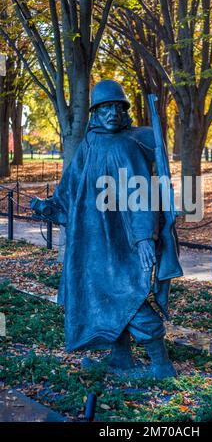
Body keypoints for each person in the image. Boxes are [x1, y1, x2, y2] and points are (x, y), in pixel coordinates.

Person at [31, 79, 183, 379]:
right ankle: (121, 359)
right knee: (104, 293)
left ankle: (160, 365)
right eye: (104, 108)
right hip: (94, 240)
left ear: (124, 111)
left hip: (126, 239)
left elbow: (142, 193)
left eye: (117, 106)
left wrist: (143, 239)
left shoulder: (129, 144)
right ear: (95, 113)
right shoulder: (89, 143)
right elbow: (72, 184)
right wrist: (49, 205)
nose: (112, 113)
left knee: (130, 292)